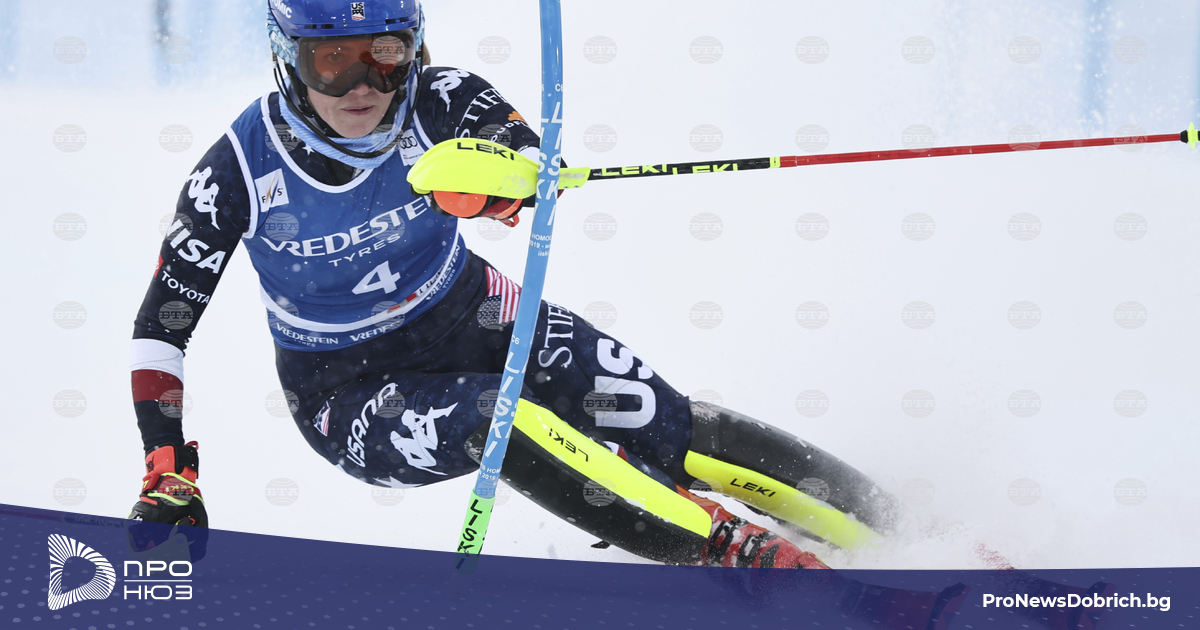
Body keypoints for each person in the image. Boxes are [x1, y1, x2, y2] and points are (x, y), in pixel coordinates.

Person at [128, 0, 899, 571]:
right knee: (497, 419)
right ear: (287, 58)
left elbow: (519, 146)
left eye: (386, 54)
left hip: (478, 316)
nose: (364, 84)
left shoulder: (438, 98)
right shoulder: (238, 168)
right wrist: (168, 468)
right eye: (333, 61)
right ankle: (743, 558)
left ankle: (902, 531)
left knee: (662, 426)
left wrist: (505, 180)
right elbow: (162, 326)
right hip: (347, 389)